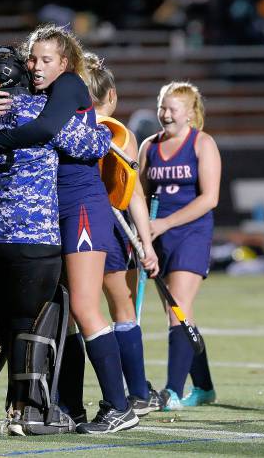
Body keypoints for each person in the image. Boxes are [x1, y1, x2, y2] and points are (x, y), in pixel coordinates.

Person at [0, 44, 110, 436]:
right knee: (29, 322)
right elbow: (93, 145)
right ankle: (23, 414)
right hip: (31, 237)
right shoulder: (40, 114)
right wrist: (102, 123)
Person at [0, 24, 138, 434]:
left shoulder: (68, 85)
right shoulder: (36, 91)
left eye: (46, 59)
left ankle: (120, 406)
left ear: (65, 62)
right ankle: (70, 408)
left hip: (80, 206)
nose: (36, 66)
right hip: (49, 213)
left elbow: (46, 129)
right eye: (33, 59)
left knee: (84, 306)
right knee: (62, 315)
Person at [85, 51, 165, 415]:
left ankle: (68, 399)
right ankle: (137, 393)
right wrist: (147, 243)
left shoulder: (64, 127)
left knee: (81, 313)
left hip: (75, 226)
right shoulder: (122, 134)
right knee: (122, 310)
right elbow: (134, 194)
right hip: (113, 229)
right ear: (112, 96)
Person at [138, 81, 221, 410]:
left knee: (178, 312)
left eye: (173, 108)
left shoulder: (203, 144)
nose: (166, 114)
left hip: (192, 233)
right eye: (162, 107)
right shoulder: (149, 146)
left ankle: (172, 391)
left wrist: (165, 223)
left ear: (190, 113)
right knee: (181, 315)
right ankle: (203, 387)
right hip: (158, 238)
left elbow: (210, 198)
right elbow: (139, 196)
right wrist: (145, 236)